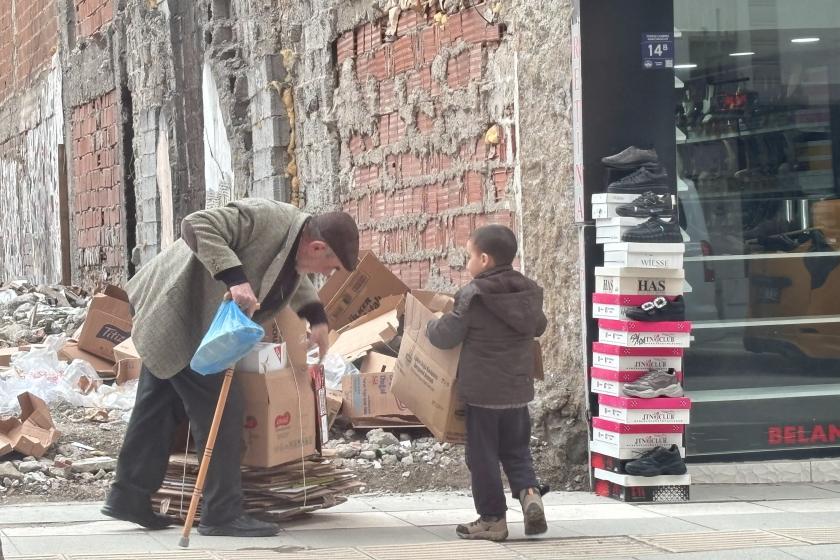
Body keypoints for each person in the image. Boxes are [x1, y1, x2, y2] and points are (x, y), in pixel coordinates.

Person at [101, 198, 359, 537]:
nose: (328, 274)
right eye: (332, 265)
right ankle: (221, 513)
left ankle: (128, 497)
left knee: (157, 406)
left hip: (190, 320)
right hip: (179, 314)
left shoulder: (296, 244)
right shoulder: (266, 218)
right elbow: (195, 224)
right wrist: (236, 281)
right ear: (318, 246)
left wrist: (317, 318)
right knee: (223, 411)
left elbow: (288, 276)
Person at [426, 224, 548, 541]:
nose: (467, 263)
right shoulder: (529, 291)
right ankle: (530, 494)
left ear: (484, 259)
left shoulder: (474, 294)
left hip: (482, 394)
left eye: (468, 256)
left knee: (482, 458)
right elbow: (539, 327)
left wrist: (427, 324)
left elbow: (445, 335)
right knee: (517, 451)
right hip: (518, 391)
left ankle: (493, 519)